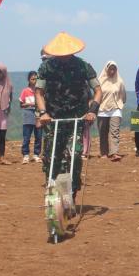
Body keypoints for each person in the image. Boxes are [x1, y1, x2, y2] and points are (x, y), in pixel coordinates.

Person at [35, 32, 101, 202]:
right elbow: (39, 92)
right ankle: (51, 189)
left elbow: (98, 90)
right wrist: (43, 113)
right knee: (51, 156)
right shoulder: (46, 67)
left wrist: (92, 110)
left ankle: (71, 192)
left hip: (76, 118)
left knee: (73, 155)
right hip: (52, 119)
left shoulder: (84, 67)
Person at [97, 61, 127, 161]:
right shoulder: (100, 81)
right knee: (103, 132)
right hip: (102, 109)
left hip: (115, 109)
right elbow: (96, 95)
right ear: (106, 69)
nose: (112, 71)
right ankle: (104, 152)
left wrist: (120, 105)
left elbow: (123, 95)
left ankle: (114, 152)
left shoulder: (119, 81)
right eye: (110, 68)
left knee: (115, 131)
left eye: (114, 69)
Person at [19, 71, 42, 164]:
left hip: (38, 115)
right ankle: (26, 155)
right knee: (27, 136)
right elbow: (21, 104)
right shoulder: (25, 91)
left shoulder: (40, 91)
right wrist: (29, 104)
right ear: (29, 80)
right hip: (28, 114)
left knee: (39, 136)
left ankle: (36, 154)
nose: (34, 80)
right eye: (32, 79)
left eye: (36, 79)